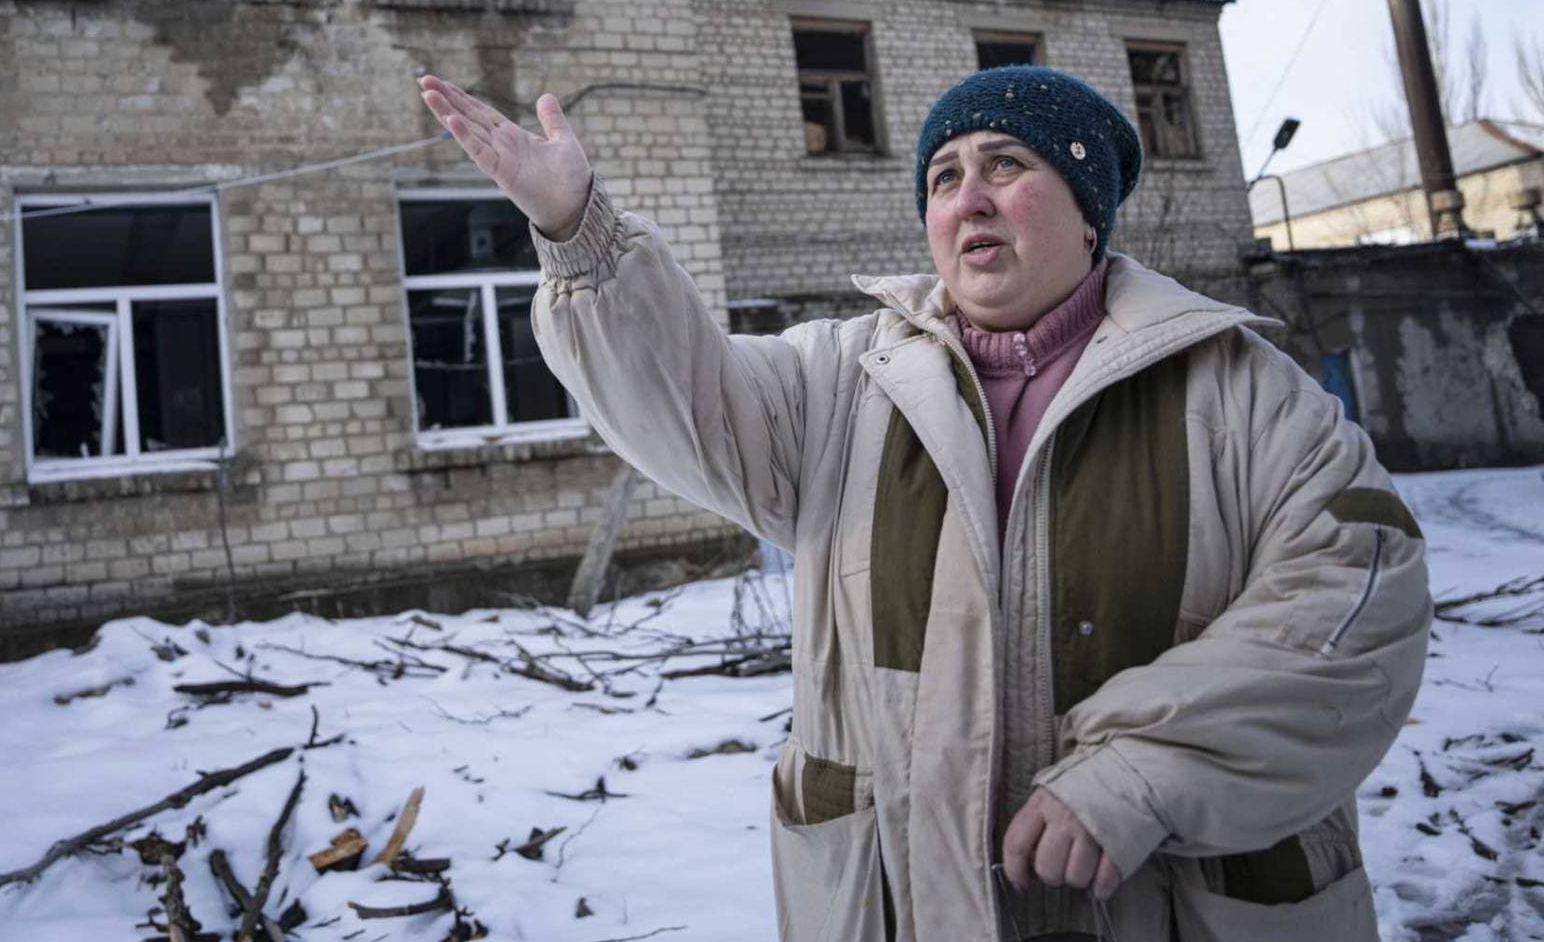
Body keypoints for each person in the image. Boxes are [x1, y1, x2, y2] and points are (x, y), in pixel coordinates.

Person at [417, 66, 1430, 941]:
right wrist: (580, 233)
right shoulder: (844, 381)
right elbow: (685, 397)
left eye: (1006, 165)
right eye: (945, 177)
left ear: (1088, 208)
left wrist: (1143, 771)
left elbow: (1355, 601)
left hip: (1178, 902)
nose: (968, 197)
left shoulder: (1241, 388)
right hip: (903, 896)